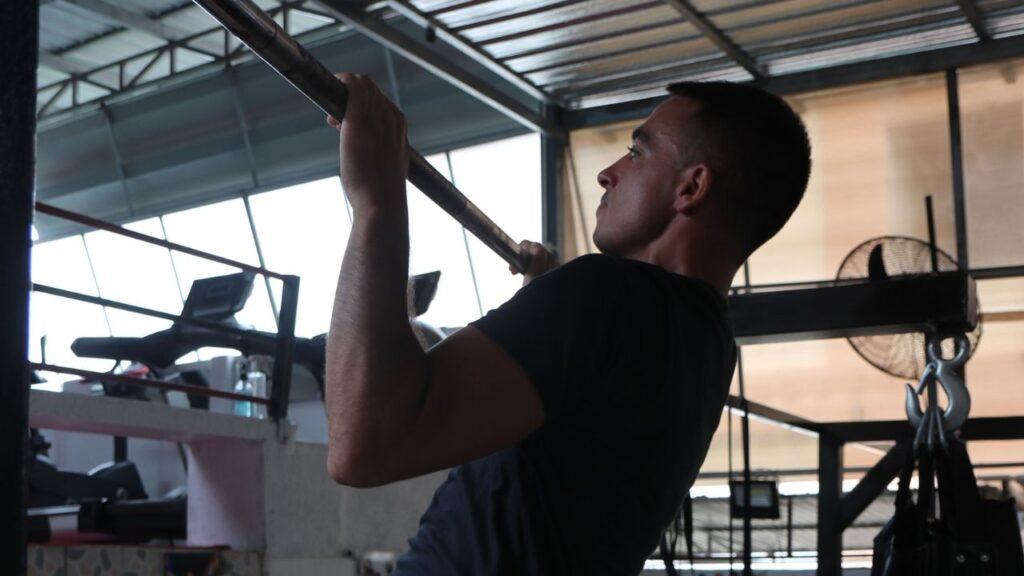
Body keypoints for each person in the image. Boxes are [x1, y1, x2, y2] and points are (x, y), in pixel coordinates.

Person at [323, 77, 812, 575]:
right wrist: (542, 305)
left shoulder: (605, 296)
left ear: (691, 187)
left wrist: (376, 203)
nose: (608, 173)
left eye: (636, 153)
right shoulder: (707, 346)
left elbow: (362, 446)